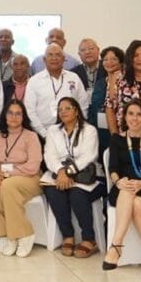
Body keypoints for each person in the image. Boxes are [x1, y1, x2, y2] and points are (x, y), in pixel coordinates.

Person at [103, 99, 141, 278]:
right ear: (124, 117)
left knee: (135, 199)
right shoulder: (117, 139)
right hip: (123, 186)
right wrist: (118, 182)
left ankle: (115, 246)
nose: (134, 118)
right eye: (130, 114)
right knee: (133, 198)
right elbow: (113, 168)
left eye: (139, 114)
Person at [42, 97, 105, 259]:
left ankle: (89, 239)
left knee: (77, 193)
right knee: (53, 191)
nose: (63, 111)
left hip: (89, 176)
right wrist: (60, 171)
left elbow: (89, 156)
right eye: (60, 109)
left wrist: (67, 172)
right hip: (61, 174)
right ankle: (68, 236)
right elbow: (49, 156)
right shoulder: (53, 131)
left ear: (77, 111)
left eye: (67, 108)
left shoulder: (89, 130)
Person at [0, 99, 44, 257]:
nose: (14, 117)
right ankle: (4, 234)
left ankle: (24, 233)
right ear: (4, 115)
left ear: (23, 117)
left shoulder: (31, 136)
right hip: (3, 177)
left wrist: (5, 174)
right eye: (10, 113)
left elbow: (33, 166)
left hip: (29, 178)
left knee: (8, 185)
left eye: (18, 114)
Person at [25, 43, 89, 138]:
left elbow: (83, 105)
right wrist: (44, 134)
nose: (54, 58)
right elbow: (30, 111)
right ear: (44, 60)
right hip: (42, 134)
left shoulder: (74, 78)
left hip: (72, 133)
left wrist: (76, 128)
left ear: (64, 59)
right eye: (50, 55)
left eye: (58, 55)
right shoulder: (34, 81)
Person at [88, 46, 124, 153]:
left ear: (121, 62)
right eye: (105, 59)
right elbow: (93, 106)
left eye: (114, 59)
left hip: (119, 129)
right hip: (100, 130)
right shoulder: (100, 83)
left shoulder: (125, 82)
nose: (109, 62)